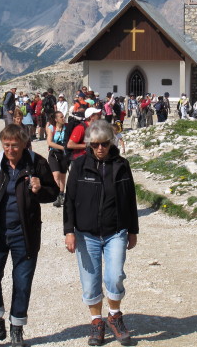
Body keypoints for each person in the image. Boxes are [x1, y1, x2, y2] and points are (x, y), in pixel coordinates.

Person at [0, 124, 59, 347]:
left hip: (24, 234)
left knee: (22, 282)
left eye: (15, 145)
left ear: (24, 144)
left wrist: (39, 189)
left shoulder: (37, 163)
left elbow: (52, 193)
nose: (10, 149)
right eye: (6, 145)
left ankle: (17, 329)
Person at [64, 120, 139, 346]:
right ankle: (96, 322)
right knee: (90, 281)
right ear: (89, 144)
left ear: (111, 143)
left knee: (115, 275)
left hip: (115, 232)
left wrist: (133, 230)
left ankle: (115, 316)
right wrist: (69, 231)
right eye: (95, 144)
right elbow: (69, 200)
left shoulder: (122, 165)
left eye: (104, 144)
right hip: (86, 234)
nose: (100, 149)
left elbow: (130, 199)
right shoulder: (79, 166)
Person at [46, 111, 68, 207]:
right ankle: (56, 194)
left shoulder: (66, 128)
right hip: (54, 154)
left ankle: (61, 195)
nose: (63, 118)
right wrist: (63, 147)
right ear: (56, 119)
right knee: (56, 175)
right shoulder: (51, 128)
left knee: (63, 175)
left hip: (64, 155)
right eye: (61, 117)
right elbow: (50, 143)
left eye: (63, 116)